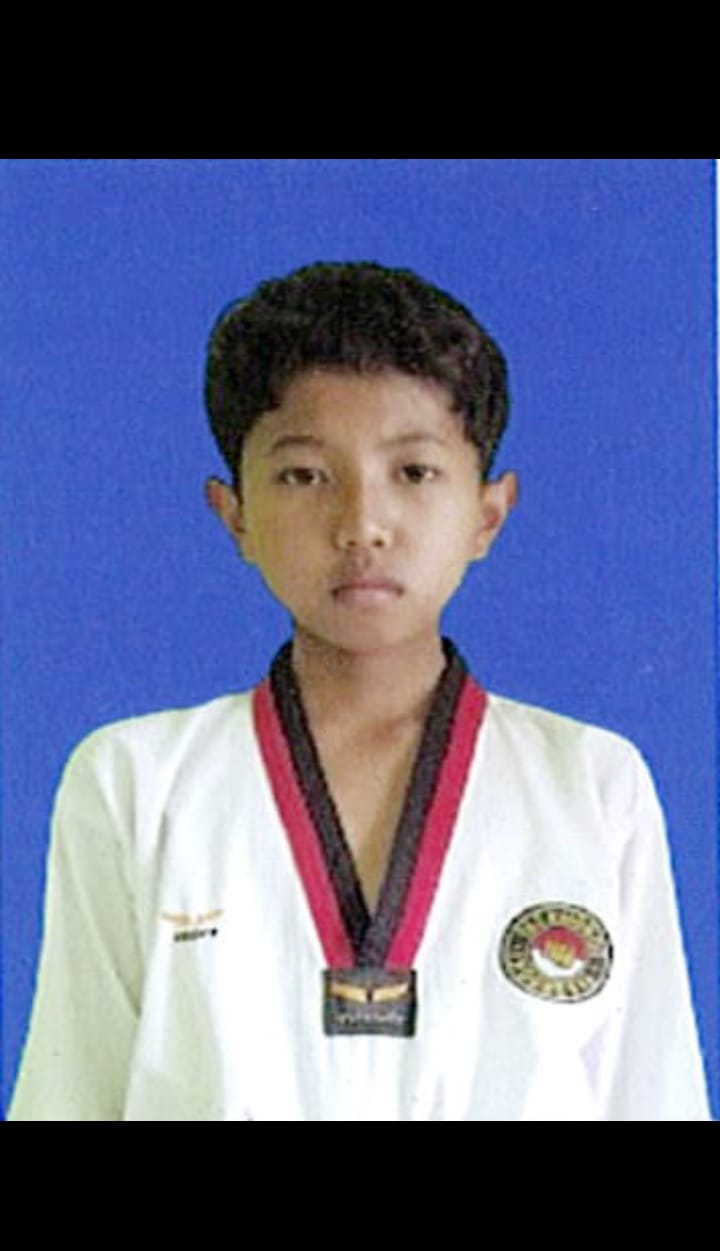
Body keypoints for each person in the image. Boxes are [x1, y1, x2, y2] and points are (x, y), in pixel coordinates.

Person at [8, 262, 711, 1121]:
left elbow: (655, 1096)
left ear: (487, 514)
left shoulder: (593, 786)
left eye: (412, 472)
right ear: (235, 515)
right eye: (305, 475)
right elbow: (68, 1095)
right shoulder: (135, 782)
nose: (362, 525)